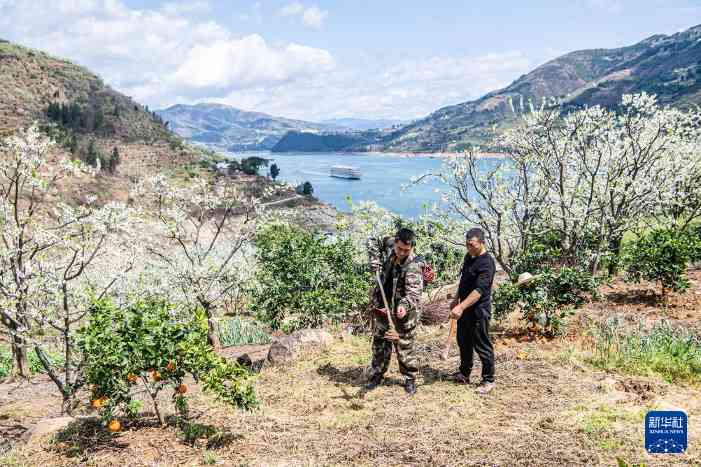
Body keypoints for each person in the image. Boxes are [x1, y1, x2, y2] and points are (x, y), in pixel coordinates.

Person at [365, 228, 424, 395]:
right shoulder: (390, 244)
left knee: (405, 345)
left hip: (404, 313)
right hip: (383, 307)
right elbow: (373, 239)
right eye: (399, 249)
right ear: (395, 242)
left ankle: (409, 378)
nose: (402, 253)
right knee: (380, 343)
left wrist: (403, 306)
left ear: (412, 247)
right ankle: (377, 375)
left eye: (407, 250)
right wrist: (375, 259)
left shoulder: (414, 266)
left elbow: (414, 294)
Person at [449, 227, 497, 394]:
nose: (469, 248)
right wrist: (456, 299)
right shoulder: (468, 257)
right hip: (464, 310)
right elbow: (464, 281)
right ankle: (464, 373)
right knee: (463, 342)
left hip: (478, 311)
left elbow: (479, 290)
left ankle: (488, 380)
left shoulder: (487, 263)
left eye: (472, 245)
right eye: (467, 244)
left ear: (482, 243)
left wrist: (461, 306)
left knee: (482, 345)